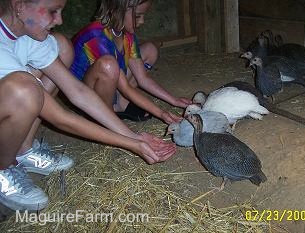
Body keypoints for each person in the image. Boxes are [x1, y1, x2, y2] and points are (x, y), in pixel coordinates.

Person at [0, 0, 176, 211]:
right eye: (52, 11)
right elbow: (59, 117)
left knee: (60, 46)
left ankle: (23, 149)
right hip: (18, 93)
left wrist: (134, 136)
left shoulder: (26, 37)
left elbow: (78, 92)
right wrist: (131, 144)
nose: (60, 20)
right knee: (24, 90)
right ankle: (3, 167)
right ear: (19, 6)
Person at [70, 0, 192, 122]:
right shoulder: (97, 36)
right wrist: (161, 114)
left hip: (108, 84)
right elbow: (126, 88)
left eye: (144, 15)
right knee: (108, 65)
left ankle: (118, 102)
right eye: (138, 16)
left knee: (150, 50)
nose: (142, 21)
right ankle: (105, 115)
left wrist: (174, 100)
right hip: (85, 97)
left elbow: (143, 79)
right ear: (117, 10)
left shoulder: (126, 34)